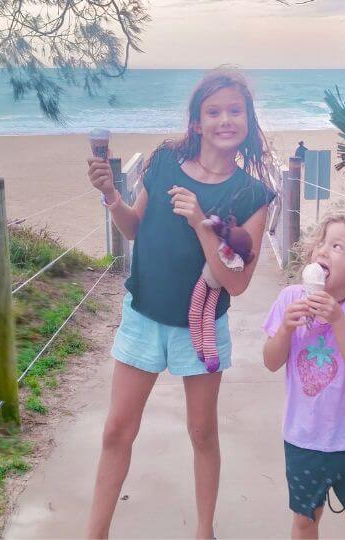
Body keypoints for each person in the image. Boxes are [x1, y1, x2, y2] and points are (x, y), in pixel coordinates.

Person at [84, 67, 276, 539]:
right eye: (214, 112)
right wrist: (111, 193)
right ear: (196, 122)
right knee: (116, 431)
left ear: (248, 120)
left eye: (235, 111)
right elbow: (134, 229)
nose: (224, 120)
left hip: (202, 327)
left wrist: (200, 224)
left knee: (203, 434)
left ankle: (204, 531)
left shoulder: (252, 194)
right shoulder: (164, 162)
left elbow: (238, 283)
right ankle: (95, 533)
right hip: (143, 316)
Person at [262, 211, 345, 539]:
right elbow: (270, 361)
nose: (323, 250)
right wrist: (284, 330)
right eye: (321, 243)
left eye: (337, 246)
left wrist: (338, 320)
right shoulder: (289, 300)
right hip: (304, 438)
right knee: (305, 521)